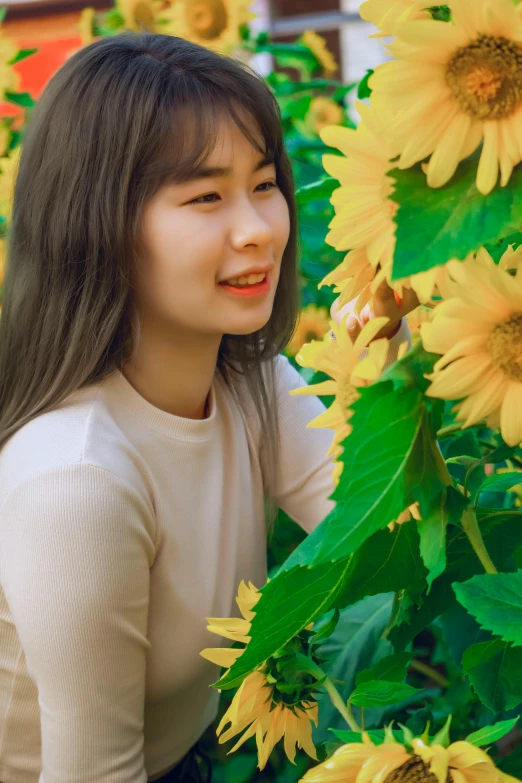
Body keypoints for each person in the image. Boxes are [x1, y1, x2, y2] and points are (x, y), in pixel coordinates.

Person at [0, 33, 415, 783]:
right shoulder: (78, 478)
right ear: (97, 222)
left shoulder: (250, 385)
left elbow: (396, 538)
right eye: (205, 197)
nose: (259, 227)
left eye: (264, 184)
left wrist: (400, 352)